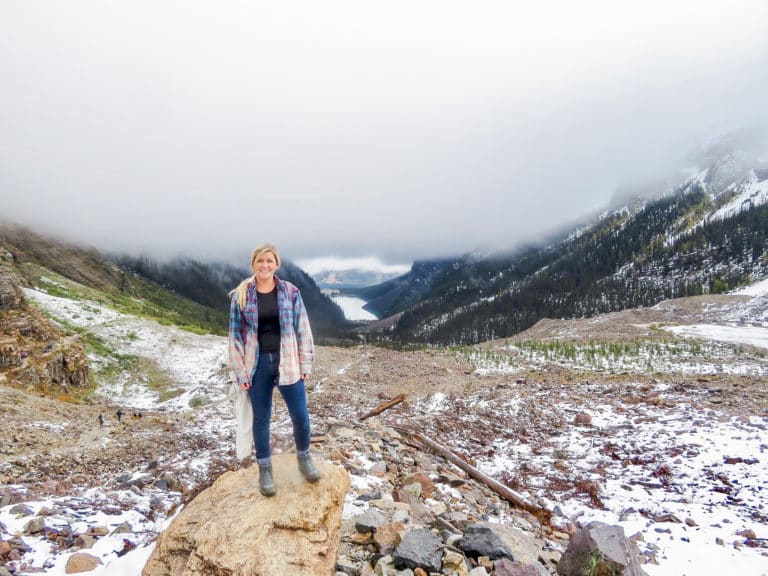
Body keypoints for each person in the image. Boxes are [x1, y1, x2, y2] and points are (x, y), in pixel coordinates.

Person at [228, 243, 321, 496]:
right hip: (256, 365)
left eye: (269, 261)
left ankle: (304, 457)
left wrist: (306, 362)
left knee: (300, 415)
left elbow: (303, 327)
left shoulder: (291, 292)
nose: (265, 265)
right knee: (261, 419)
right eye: (260, 261)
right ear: (253, 264)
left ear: (276, 264)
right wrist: (240, 373)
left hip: (288, 361)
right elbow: (235, 336)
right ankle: (265, 468)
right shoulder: (242, 295)